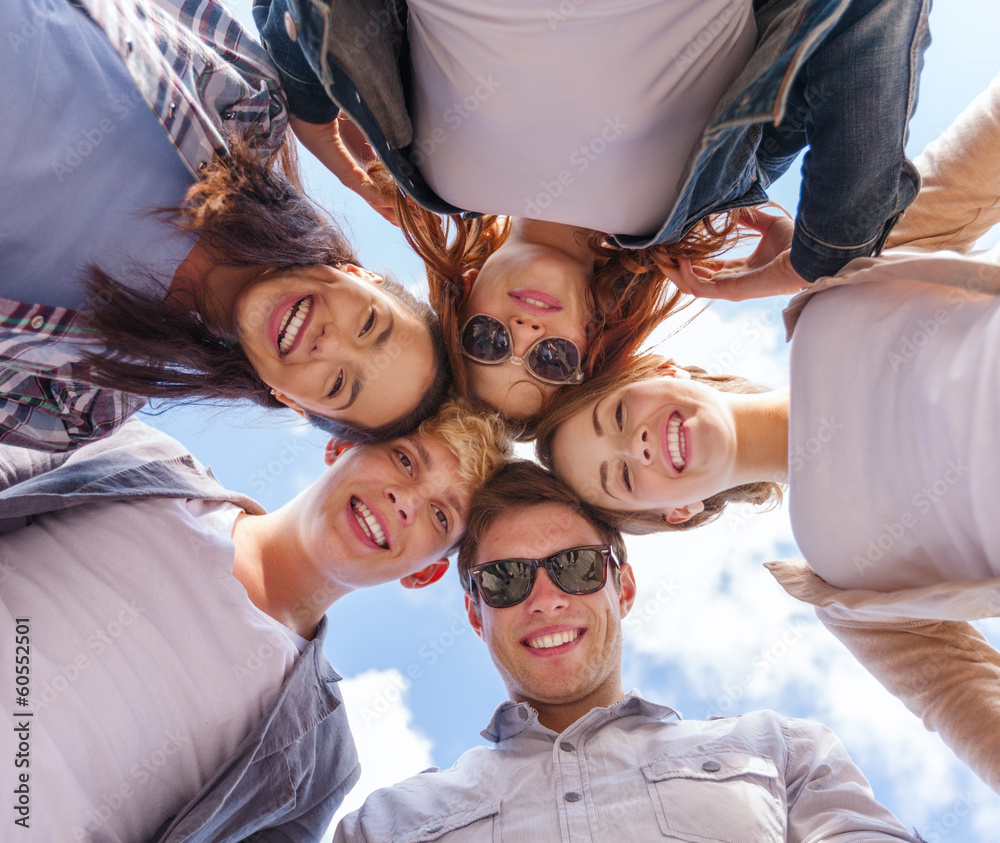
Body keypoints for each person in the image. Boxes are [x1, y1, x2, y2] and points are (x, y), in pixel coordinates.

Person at [533, 76, 1000, 791]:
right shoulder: (842, 582)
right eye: (623, 475)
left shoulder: (839, 288)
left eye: (619, 415)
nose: (640, 444)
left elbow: (982, 151)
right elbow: (963, 703)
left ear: (666, 370)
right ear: (675, 512)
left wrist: (825, 246)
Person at [253, 0, 929, 419]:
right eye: (548, 361)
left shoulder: (433, 175)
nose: (521, 333)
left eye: (487, 344)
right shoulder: (693, 194)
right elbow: (873, 18)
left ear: (461, 301)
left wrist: (310, 108)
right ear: (593, 338)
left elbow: (310, 14)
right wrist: (827, 252)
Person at [0, 399, 512, 841]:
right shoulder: (131, 453)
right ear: (339, 446)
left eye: (440, 515)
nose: (407, 501)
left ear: (424, 575)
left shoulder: (321, 765)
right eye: (404, 461)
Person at [332, 461, 925, 842]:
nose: (545, 599)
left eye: (577, 567)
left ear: (625, 588)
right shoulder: (385, 825)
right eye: (506, 579)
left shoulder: (783, 753)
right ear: (474, 613)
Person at [0, 0, 449, 453]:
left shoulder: (76, 405)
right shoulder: (248, 105)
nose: (329, 343)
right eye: (369, 324)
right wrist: (314, 110)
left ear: (291, 402)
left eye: (337, 384)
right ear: (360, 276)